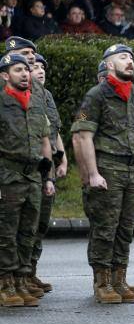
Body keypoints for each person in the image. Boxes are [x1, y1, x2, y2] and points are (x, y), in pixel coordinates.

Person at [71, 44, 134, 304]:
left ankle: (120, 279)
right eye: (122, 57)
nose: (129, 61)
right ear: (109, 64)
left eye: (130, 57)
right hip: (108, 167)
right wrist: (92, 174)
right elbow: (83, 136)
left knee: (125, 227)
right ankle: (102, 281)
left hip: (133, 169)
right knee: (105, 227)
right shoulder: (97, 95)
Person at [0, 53, 54, 308]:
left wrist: (47, 175)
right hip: (7, 175)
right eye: (17, 69)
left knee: (27, 231)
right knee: (6, 232)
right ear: (4, 76)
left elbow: (45, 139)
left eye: (26, 69)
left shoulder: (35, 102)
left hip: (33, 175)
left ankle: (21, 280)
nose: (24, 73)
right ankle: (5, 283)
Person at [29, 53, 68, 294]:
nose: (41, 70)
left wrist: (62, 158)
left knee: (41, 222)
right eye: (34, 66)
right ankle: (17, 276)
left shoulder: (47, 96)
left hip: (48, 165)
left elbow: (54, 132)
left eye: (43, 66)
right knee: (25, 224)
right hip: (29, 164)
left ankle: (30, 271)